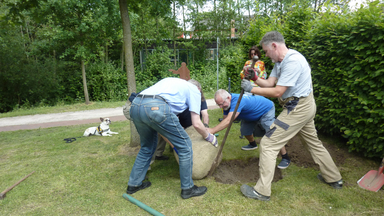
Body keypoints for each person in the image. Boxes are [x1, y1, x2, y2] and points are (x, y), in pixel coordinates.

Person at [240, 31, 343, 201]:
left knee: (268, 143)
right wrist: (255, 78)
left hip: (298, 108)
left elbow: (277, 91)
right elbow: (270, 83)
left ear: (274, 45)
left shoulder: (293, 61)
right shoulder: (279, 62)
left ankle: (262, 191)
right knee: (313, 143)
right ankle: (334, 178)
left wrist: (252, 89)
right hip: (302, 106)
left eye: (266, 51)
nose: (265, 54)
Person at [127, 77, 217, 199]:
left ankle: (134, 184)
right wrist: (209, 137)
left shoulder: (173, 83)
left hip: (136, 105)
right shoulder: (194, 90)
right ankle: (188, 188)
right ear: (198, 89)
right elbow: (196, 123)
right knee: (185, 146)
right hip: (155, 107)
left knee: (147, 147)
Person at [240, 46, 291, 169]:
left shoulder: (262, 64)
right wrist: (245, 72)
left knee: (271, 130)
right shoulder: (248, 63)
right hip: (248, 92)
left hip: (259, 93)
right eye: (251, 54)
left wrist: (255, 76)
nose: (253, 56)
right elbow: (242, 75)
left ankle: (285, 156)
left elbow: (266, 81)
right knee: (245, 126)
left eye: (255, 53)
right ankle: (252, 143)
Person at [149, 80, 210, 168]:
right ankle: (158, 154)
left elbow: (205, 114)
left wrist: (205, 125)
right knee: (161, 133)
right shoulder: (180, 98)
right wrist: (178, 129)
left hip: (195, 126)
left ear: (199, 89)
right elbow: (173, 116)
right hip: (181, 126)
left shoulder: (200, 99)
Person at [208, 89, 275, 152]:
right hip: (250, 114)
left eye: (221, 104)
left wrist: (213, 130)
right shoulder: (226, 105)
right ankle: (253, 145)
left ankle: (284, 156)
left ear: (228, 98)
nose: (220, 107)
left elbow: (228, 120)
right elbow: (225, 120)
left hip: (266, 109)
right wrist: (214, 130)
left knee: (272, 132)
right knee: (245, 130)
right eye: (218, 105)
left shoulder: (237, 101)